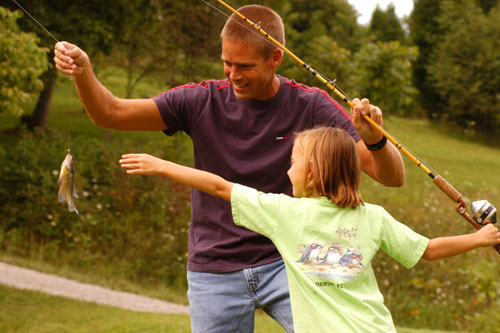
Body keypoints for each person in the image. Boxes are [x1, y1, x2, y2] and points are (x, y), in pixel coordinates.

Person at [54, 4, 406, 332]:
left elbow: (391, 177)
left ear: (275, 59)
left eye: (245, 66)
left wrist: (375, 140)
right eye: (227, 63)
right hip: (214, 268)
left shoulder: (311, 105)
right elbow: (109, 114)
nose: (233, 75)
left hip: (288, 261)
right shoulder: (199, 100)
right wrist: (84, 71)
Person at [119, 126, 500, 332]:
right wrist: (481, 238)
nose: (287, 170)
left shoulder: (283, 213)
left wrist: (162, 165)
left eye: (293, 161)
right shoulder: (373, 216)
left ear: (313, 172)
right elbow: (428, 249)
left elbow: (219, 186)